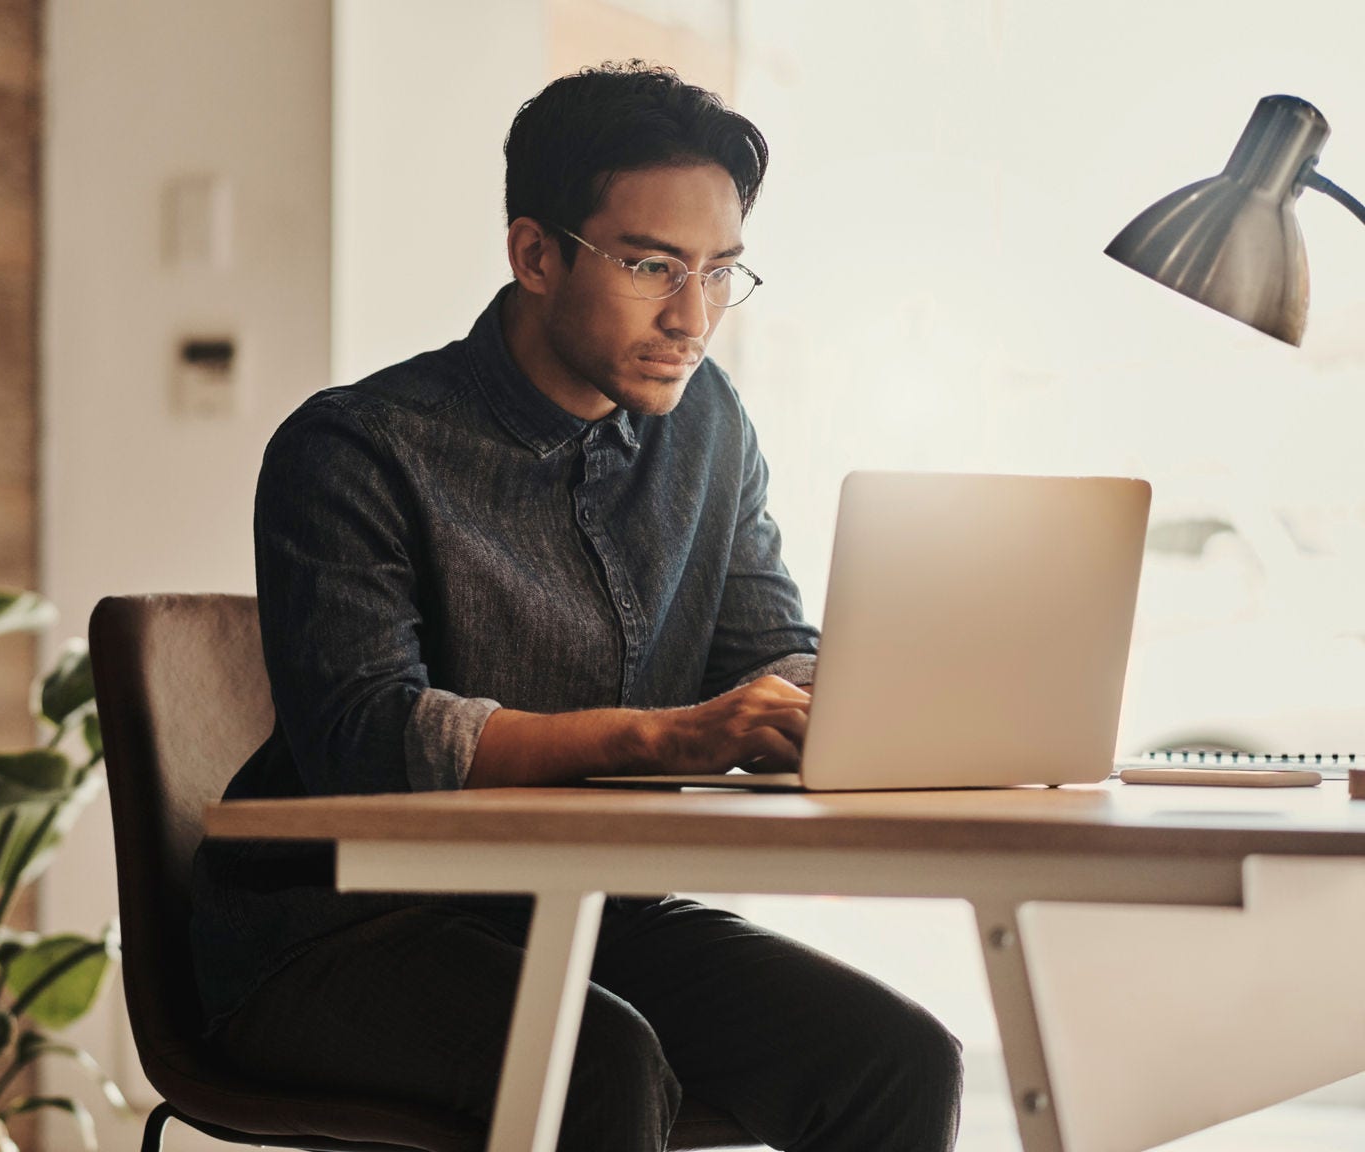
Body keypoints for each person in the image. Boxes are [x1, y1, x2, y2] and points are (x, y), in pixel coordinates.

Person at [187, 61, 964, 1152]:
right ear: (534, 254)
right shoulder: (356, 448)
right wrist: (665, 737)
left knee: (894, 1058)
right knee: (593, 1061)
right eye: (651, 265)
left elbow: (764, 653)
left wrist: (878, 692)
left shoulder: (707, 428)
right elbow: (368, 739)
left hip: (587, 908)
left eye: (718, 272)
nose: (691, 317)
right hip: (333, 934)